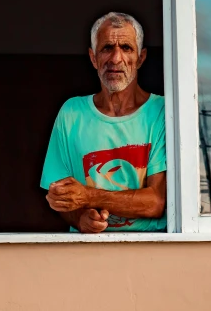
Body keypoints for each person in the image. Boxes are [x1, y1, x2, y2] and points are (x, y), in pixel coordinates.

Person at [40, 12, 166, 233]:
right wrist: (80, 218)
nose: (116, 59)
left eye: (126, 48)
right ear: (93, 57)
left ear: (141, 57)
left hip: (149, 250)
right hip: (88, 252)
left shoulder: (162, 112)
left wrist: (88, 196)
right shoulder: (72, 113)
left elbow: (156, 202)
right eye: (107, 48)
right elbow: (62, 197)